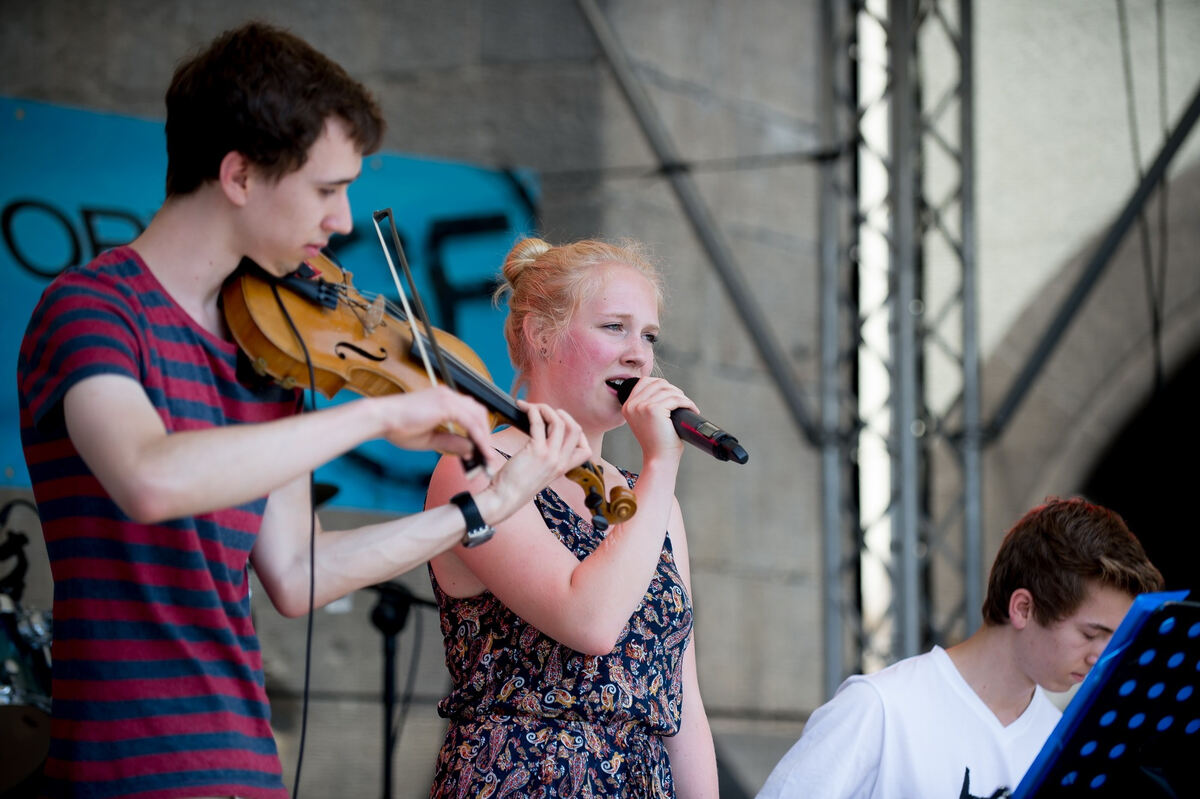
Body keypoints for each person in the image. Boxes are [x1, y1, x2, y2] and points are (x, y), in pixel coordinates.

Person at [16, 22, 588, 799]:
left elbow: (297, 572)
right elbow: (148, 477)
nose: (344, 220)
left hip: (245, 765)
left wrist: (483, 509)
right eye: (326, 189)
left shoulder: (267, 348)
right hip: (122, 770)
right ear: (239, 175)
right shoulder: (92, 310)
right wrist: (375, 417)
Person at [424, 237, 720, 798]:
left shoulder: (651, 497)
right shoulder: (477, 468)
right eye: (615, 327)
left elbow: (684, 703)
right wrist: (661, 463)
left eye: (649, 336)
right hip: (523, 778)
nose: (639, 355)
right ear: (541, 334)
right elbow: (590, 622)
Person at [756, 496, 1165, 799]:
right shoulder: (878, 709)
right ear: (1023, 608)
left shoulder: (1064, 743)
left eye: (1114, 638)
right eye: (1091, 634)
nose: (1100, 656)